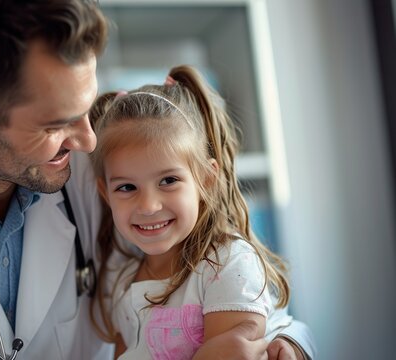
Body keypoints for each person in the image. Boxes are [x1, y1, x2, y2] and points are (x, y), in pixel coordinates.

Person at [0, 1, 314, 359]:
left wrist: (287, 344)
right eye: (58, 123)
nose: (90, 140)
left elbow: (243, 305)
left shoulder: (109, 169)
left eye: (87, 107)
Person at [88, 66, 314, 360]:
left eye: (168, 181)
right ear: (106, 193)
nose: (148, 206)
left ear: (206, 179)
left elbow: (235, 353)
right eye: (127, 187)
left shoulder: (226, 264)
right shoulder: (122, 279)